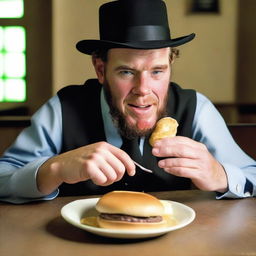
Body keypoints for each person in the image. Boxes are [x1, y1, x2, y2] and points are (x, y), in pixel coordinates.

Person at [0, 0, 255, 204]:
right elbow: (3, 179)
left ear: (170, 66)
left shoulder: (196, 108)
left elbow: (251, 176)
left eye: (157, 71)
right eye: (126, 72)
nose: (143, 90)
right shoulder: (64, 108)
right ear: (101, 70)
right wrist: (53, 170)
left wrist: (218, 175)